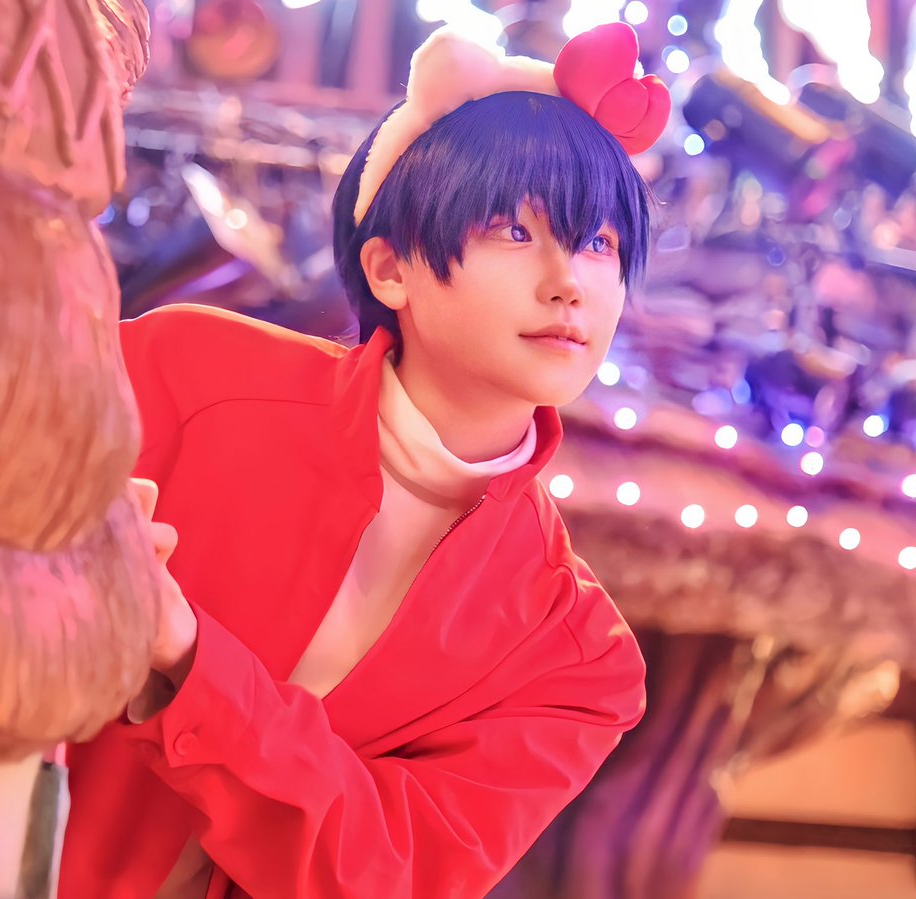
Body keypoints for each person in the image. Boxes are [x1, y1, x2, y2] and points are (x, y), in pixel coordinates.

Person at [61, 21, 670, 899]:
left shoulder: (576, 658)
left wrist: (185, 652)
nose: (569, 282)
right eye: (514, 230)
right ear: (390, 269)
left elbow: (384, 875)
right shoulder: (180, 376)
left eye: (600, 243)